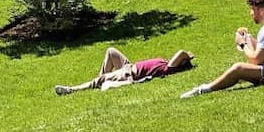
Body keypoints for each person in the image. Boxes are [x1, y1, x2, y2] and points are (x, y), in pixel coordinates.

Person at [53, 46, 195, 95]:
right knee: (111, 51)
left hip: (129, 74)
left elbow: (181, 52)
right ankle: (100, 81)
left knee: (102, 79)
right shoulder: (165, 64)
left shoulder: (168, 69)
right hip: (128, 66)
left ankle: (71, 90)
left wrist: (187, 57)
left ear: (180, 64)